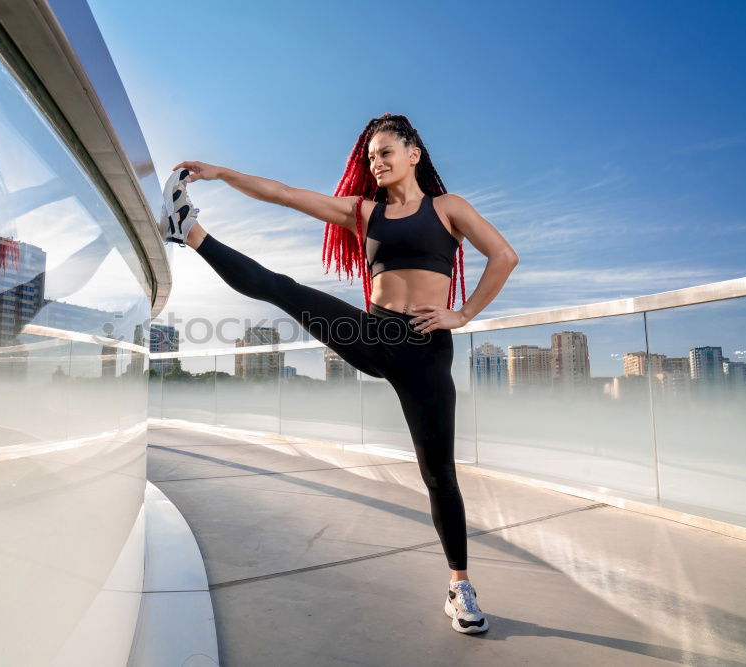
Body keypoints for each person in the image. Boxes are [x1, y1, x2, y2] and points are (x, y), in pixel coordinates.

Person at [162, 113, 518, 634]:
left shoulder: (449, 208)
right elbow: (284, 193)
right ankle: (188, 230)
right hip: (372, 336)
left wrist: (461, 315)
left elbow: (504, 256)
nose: (376, 161)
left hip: (425, 351)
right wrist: (222, 172)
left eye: (386, 151)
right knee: (282, 287)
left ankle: (459, 585)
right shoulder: (365, 213)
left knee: (440, 474)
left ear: (414, 153)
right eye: (371, 155)